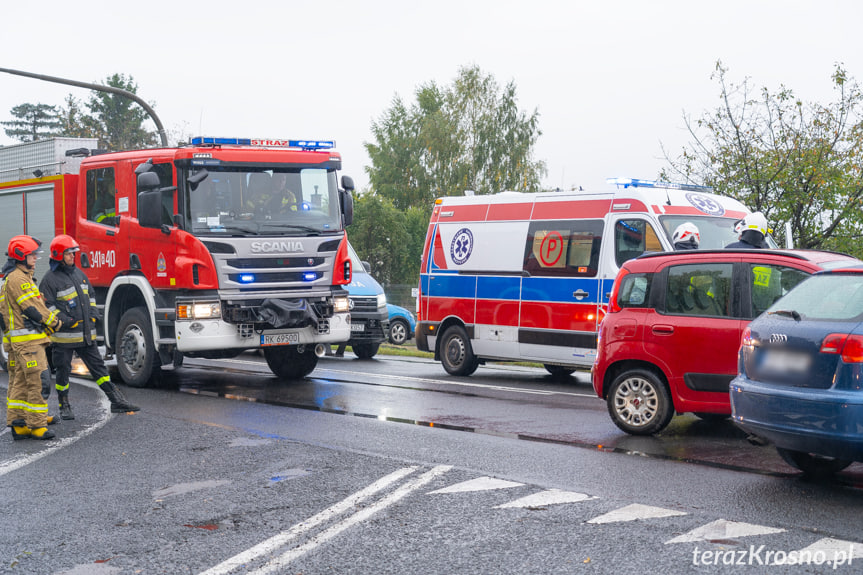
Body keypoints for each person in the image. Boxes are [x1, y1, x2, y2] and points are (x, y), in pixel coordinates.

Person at [39, 235, 140, 419]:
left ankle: (116, 401)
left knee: (99, 369)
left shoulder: (79, 274)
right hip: (64, 338)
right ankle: (64, 405)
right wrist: (66, 320)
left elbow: (91, 295)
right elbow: (47, 308)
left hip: (85, 336)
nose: (72, 256)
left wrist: (94, 313)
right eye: (69, 253)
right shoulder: (49, 280)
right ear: (58, 255)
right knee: (63, 371)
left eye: (73, 253)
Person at [3, 235, 62, 440]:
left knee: (21, 382)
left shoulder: (14, 277)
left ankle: (20, 424)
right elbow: (32, 308)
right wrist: (54, 322)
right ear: (21, 256)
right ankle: (36, 425)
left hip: (21, 341)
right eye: (32, 255)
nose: (36, 258)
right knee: (39, 381)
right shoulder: (18, 279)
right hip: (28, 342)